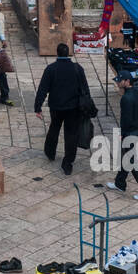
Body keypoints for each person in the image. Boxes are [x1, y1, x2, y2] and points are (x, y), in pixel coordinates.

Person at [34, 42, 93, 175]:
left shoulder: (51, 69)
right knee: (71, 134)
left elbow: (42, 89)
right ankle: (68, 163)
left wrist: (38, 107)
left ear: (57, 53)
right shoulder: (78, 69)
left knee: (54, 128)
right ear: (68, 53)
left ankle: (50, 152)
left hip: (56, 107)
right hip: (73, 108)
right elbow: (85, 89)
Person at [106, 73, 138, 200]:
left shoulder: (126, 98)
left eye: (120, 80)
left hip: (129, 132)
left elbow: (125, 119)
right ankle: (119, 183)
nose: (117, 83)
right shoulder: (137, 93)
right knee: (126, 158)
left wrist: (122, 134)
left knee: (132, 162)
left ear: (127, 81)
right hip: (136, 130)